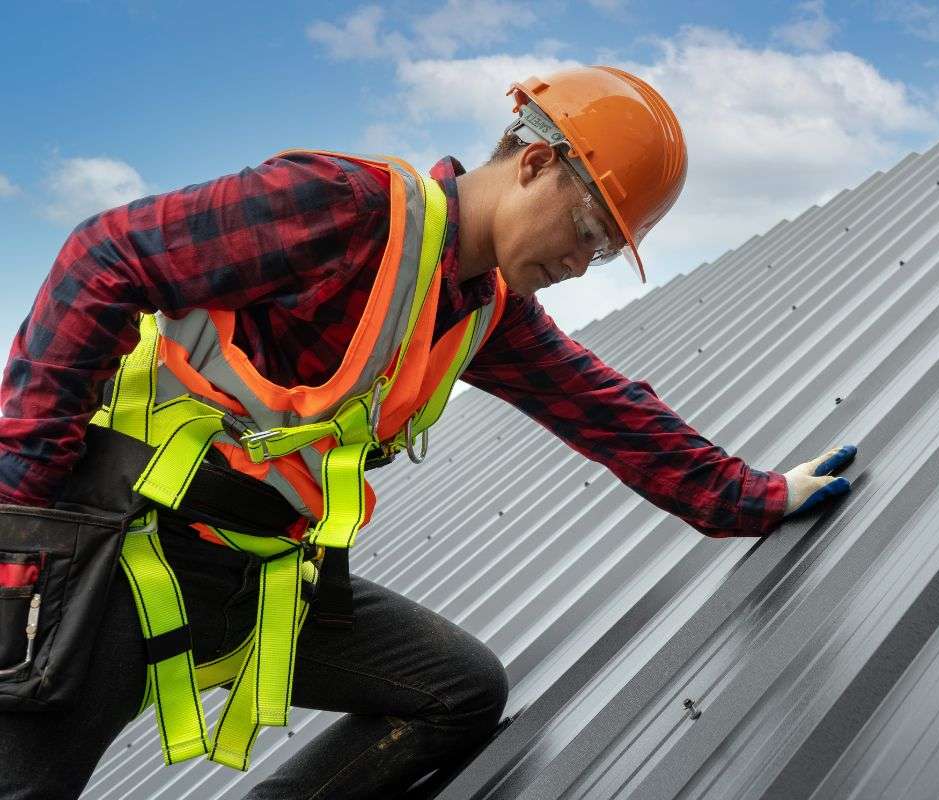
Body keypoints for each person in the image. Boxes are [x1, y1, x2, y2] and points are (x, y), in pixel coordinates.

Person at [0, 65, 856, 799]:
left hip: (250, 572)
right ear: (534, 163)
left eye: (604, 253)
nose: (581, 262)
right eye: (590, 231)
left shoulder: (486, 311)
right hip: (119, 546)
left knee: (457, 692)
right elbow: (103, 257)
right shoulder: (345, 206)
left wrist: (757, 496)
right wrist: (23, 518)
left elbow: (606, 409)